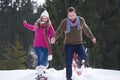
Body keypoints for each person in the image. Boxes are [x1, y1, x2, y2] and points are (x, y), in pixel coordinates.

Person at [51, 7, 96, 80]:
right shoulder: (64, 22)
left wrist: (92, 37)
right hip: (68, 45)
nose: (71, 17)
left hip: (79, 44)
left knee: (84, 56)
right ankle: (69, 78)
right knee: (68, 62)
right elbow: (59, 31)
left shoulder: (81, 20)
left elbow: (86, 29)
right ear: (67, 16)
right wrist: (54, 37)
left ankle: (77, 61)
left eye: (73, 15)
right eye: (70, 16)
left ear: (75, 14)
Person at [23, 10, 55, 75]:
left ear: (48, 18)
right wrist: (26, 25)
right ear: (41, 17)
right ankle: (39, 71)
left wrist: (50, 37)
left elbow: (52, 34)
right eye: (43, 17)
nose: (44, 19)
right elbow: (32, 27)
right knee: (39, 55)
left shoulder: (49, 26)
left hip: (45, 45)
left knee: (45, 59)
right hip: (37, 44)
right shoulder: (38, 25)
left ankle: (44, 67)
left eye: (46, 18)